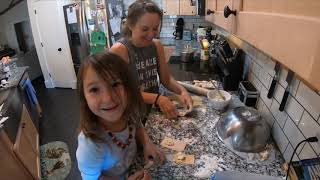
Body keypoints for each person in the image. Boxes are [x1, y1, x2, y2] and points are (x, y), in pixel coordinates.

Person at [76, 52, 164, 180]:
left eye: (115, 84)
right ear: (84, 97)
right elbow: (91, 178)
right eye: (94, 90)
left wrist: (147, 144)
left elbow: (137, 125)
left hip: (134, 168)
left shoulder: (128, 111)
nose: (108, 98)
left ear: (128, 86)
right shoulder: (90, 145)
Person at [110, 0, 193, 120]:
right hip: (129, 117)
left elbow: (167, 79)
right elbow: (119, 92)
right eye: (144, 29)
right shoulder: (119, 50)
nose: (151, 35)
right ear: (131, 25)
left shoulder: (156, 45)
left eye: (155, 28)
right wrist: (157, 98)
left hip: (151, 111)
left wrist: (182, 92)